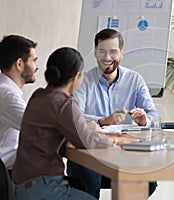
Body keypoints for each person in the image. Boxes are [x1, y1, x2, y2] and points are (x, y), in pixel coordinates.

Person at [12, 47, 139, 200]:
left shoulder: (39, 96)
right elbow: (86, 140)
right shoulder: (63, 102)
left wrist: (109, 135)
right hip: (44, 187)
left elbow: (72, 135)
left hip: (22, 186)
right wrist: (116, 140)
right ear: (75, 77)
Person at [67, 28, 158, 198]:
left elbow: (154, 116)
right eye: (102, 51)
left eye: (113, 52)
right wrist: (102, 121)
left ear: (121, 54)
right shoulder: (84, 80)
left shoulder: (135, 79)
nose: (107, 57)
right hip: (91, 154)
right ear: (95, 53)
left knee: (147, 182)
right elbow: (74, 115)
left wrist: (145, 120)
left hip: (125, 152)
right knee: (88, 178)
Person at [0, 35, 39, 172]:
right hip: (7, 178)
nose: (37, 67)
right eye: (34, 61)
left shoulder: (5, 91)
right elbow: (40, 128)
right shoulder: (7, 95)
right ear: (19, 64)